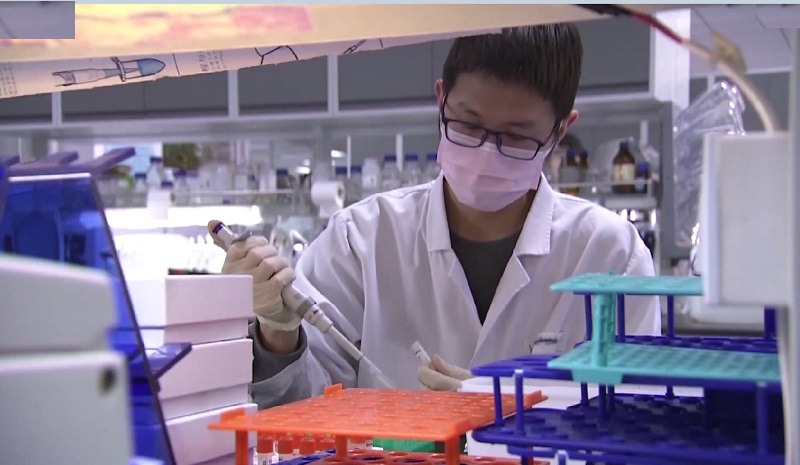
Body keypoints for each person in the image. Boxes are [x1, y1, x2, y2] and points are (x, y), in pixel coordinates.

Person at [214, 25, 661, 409]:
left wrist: (515, 414)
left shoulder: (611, 256)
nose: (486, 154)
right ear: (441, 99)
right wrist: (278, 331)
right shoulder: (360, 242)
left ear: (560, 130)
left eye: (517, 137)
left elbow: (636, 420)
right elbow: (297, 414)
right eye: (468, 125)